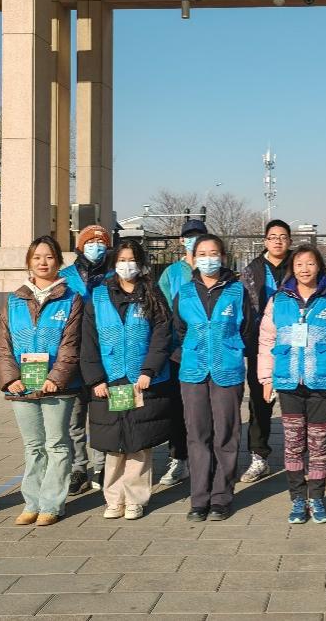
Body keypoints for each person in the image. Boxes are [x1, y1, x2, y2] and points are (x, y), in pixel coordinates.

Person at [257, 244, 326, 523]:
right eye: (299, 264)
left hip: (321, 383)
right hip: (288, 381)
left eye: (310, 263)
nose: (305, 269)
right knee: (292, 442)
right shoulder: (279, 300)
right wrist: (266, 378)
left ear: (319, 267)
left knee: (318, 442)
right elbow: (266, 340)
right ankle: (297, 498)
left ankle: (316, 497)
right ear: (292, 268)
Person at [0, 236, 84, 527]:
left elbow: (71, 344)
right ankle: (31, 503)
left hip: (58, 387)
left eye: (49, 257)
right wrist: (10, 379)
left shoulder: (71, 299)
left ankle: (52, 504)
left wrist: (56, 377)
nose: (43, 263)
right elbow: (3, 344)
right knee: (33, 446)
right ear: (28, 262)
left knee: (57, 444)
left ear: (59, 261)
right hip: (22, 386)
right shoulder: (14, 300)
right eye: (37, 257)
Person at [80, 240, 173, 521]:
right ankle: (113, 498)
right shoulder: (98, 296)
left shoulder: (152, 295)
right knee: (113, 443)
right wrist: (95, 378)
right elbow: (88, 341)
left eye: (132, 260)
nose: (126, 265)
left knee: (138, 443)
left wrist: (149, 370)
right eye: (121, 260)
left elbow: (162, 335)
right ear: (113, 263)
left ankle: (135, 499)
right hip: (109, 381)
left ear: (140, 263)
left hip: (140, 379)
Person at [170, 234, 252, 522]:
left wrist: (231, 349)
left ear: (223, 257)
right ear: (193, 258)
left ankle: (221, 497)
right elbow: (178, 330)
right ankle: (199, 498)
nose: (208, 259)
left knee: (226, 433)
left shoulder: (237, 291)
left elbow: (247, 330)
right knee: (197, 434)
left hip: (227, 369)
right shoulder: (184, 292)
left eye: (213, 253)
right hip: (193, 371)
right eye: (202, 254)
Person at [154, 218, 209, 489]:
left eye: (198, 235)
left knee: (207, 409)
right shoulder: (171, 273)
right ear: (181, 240)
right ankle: (179, 458)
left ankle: (208, 460)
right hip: (178, 352)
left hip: (209, 351)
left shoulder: (215, 270)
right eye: (189, 236)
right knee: (177, 407)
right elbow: (162, 311)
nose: (193, 240)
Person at [239, 219, 293, 483]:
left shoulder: (300, 264)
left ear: (289, 241)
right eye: (273, 237)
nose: (278, 241)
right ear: (265, 241)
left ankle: (298, 455)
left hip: (296, 345)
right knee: (260, 402)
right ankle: (259, 456)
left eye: (283, 237)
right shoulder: (252, 270)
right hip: (262, 345)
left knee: (297, 401)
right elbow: (244, 308)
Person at [59, 224, 111, 497]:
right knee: (74, 419)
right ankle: (79, 468)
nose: (96, 246)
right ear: (80, 246)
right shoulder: (65, 277)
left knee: (102, 416)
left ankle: (102, 466)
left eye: (101, 242)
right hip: (73, 356)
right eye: (90, 242)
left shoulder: (114, 276)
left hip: (104, 357)